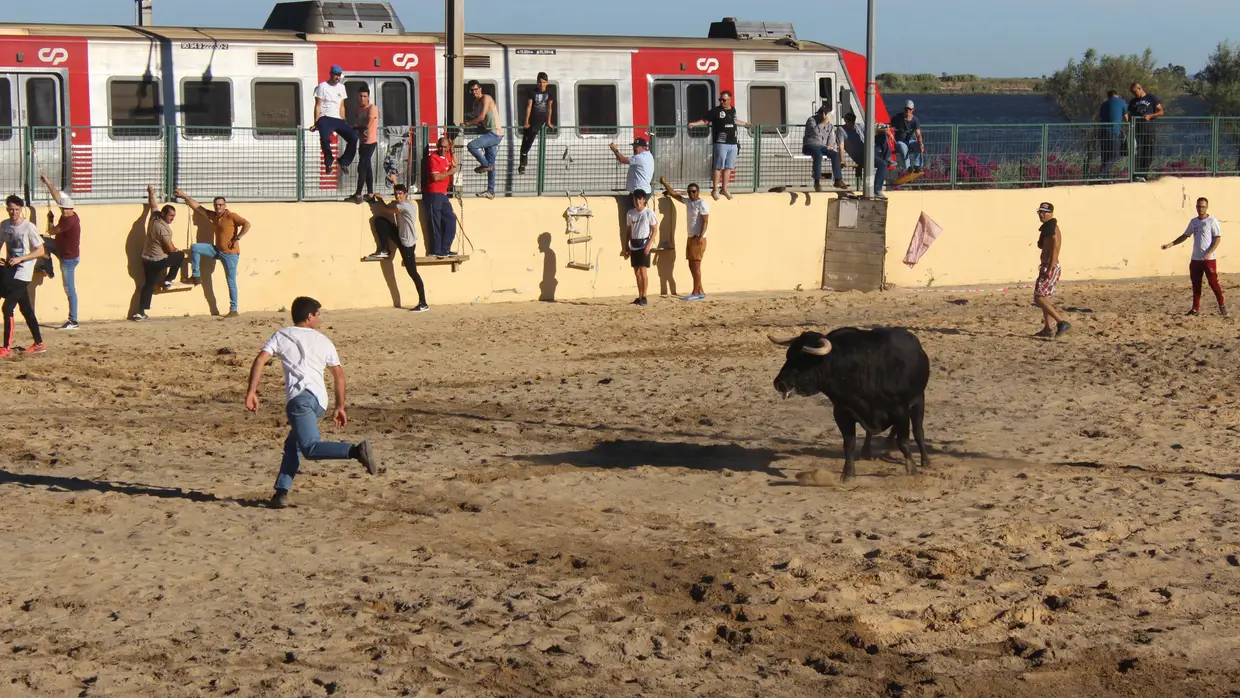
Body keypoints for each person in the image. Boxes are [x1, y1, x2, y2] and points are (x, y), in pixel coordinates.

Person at [245, 296, 379, 509]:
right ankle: (281, 493)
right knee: (294, 444)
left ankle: (355, 451)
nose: (320, 319)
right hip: (319, 403)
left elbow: (260, 359)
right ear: (309, 316)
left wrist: (252, 391)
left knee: (309, 447)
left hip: (300, 401)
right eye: (318, 314)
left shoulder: (282, 335)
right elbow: (339, 376)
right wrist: (340, 406)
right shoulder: (324, 340)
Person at [175, 188, 251, 317]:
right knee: (195, 248)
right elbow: (198, 208)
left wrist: (237, 238)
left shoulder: (231, 216)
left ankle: (234, 309)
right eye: (216, 205)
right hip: (217, 250)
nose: (218, 207)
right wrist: (183, 196)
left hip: (230, 254)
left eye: (221, 205)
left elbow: (247, 224)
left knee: (231, 281)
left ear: (225, 205)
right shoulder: (214, 216)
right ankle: (196, 275)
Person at [365, 184, 429, 312]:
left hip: (407, 245)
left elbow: (387, 210)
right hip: (401, 237)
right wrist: (394, 180)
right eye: (396, 194)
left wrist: (380, 200)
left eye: (400, 194)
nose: (398, 196)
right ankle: (384, 249)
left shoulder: (404, 206)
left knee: (413, 273)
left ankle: (423, 303)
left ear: (405, 194)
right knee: (380, 221)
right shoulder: (407, 203)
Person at [1162, 197, 1226, 316]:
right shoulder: (1193, 222)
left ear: (1206, 207)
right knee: (1196, 284)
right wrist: (1171, 244)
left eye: (1202, 206)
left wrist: (1209, 252)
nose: (1200, 209)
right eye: (1198, 206)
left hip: (1208, 259)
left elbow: (1217, 238)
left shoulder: (1212, 221)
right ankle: (1195, 309)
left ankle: (1221, 305)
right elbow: (1185, 235)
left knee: (1213, 283)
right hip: (1196, 259)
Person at [0, 195, 46, 356]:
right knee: (26, 309)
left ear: (21, 210)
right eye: (11, 209)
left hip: (24, 273)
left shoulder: (28, 227)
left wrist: (21, 258)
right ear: (7, 209)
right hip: (9, 271)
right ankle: (39, 343)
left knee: (7, 308)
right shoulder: (4, 225)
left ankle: (6, 347)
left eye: (17, 209)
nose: (14, 212)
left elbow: (40, 250)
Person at [134, 185, 187, 321]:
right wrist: (177, 250)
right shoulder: (163, 230)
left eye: (174, 216)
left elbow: (153, 204)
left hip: (146, 259)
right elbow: (169, 248)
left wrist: (150, 192)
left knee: (148, 285)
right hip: (158, 261)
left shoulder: (155, 216)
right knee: (180, 256)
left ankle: (140, 312)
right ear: (164, 214)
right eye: (170, 215)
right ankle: (168, 279)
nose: (172, 218)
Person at [38, 173, 81, 330]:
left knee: (69, 289)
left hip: (68, 258)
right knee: (40, 241)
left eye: (66, 210)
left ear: (71, 209)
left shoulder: (69, 221)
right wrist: (48, 182)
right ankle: (47, 267)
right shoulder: (68, 212)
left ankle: (73, 321)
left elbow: (52, 230)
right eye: (62, 209)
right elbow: (57, 196)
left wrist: (50, 220)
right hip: (60, 247)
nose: (64, 212)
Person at [688, 91, 748, 200]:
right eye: (720, 100)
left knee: (729, 167)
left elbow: (734, 121)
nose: (722, 102)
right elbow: (706, 121)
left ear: (729, 100)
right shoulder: (715, 111)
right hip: (721, 143)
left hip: (733, 143)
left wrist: (745, 124)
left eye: (724, 100)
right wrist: (694, 123)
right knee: (718, 166)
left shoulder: (733, 109)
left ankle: (724, 189)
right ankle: (715, 189)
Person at [659, 176, 709, 300]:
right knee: (692, 265)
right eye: (689, 191)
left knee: (696, 265)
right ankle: (700, 290)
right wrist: (665, 183)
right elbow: (673, 194)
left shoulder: (701, 203)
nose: (691, 193)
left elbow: (705, 221)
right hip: (691, 237)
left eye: (693, 191)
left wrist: (700, 236)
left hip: (698, 238)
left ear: (698, 192)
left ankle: (696, 292)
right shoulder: (688, 202)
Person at [310, 65, 358, 175]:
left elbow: (342, 106)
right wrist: (316, 123)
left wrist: (344, 121)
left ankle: (344, 161)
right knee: (325, 139)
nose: (337, 77)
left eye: (338, 75)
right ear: (331, 74)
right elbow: (318, 105)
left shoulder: (341, 87)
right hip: (325, 117)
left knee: (353, 137)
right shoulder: (322, 86)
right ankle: (328, 162)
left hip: (338, 118)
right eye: (335, 75)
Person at [1033, 202, 1070, 338]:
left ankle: (1061, 322)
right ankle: (1048, 329)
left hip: (1050, 267)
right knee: (1044, 297)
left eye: (1044, 212)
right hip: (1047, 266)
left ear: (1051, 213)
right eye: (1040, 212)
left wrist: (1050, 268)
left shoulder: (1053, 228)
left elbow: (1055, 248)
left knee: (1039, 298)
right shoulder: (1048, 228)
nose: (1041, 214)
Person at [463, 80, 503, 199]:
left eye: (476, 89)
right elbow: (481, 121)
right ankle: (490, 191)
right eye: (472, 90)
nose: (474, 92)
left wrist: (468, 124)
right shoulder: (476, 104)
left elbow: (482, 117)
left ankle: (485, 165)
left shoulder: (487, 98)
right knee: (492, 163)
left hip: (495, 133)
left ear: (480, 89)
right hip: (488, 132)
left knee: (471, 146)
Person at [423, 135, 460, 257]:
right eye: (441, 147)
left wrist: (452, 150)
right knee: (435, 223)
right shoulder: (434, 158)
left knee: (450, 220)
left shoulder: (447, 155)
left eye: (445, 147)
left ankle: (445, 249)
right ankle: (436, 250)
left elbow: (455, 164)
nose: (443, 149)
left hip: (443, 194)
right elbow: (435, 177)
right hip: (434, 193)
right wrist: (449, 172)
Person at [621, 188, 657, 306]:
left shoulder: (648, 213)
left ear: (643, 200)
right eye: (635, 199)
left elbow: (655, 230)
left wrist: (648, 245)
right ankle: (640, 295)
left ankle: (644, 295)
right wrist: (626, 246)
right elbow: (628, 230)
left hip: (644, 243)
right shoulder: (630, 213)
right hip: (634, 244)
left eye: (639, 199)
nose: (637, 201)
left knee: (643, 271)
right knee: (636, 272)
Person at [348, 84, 380, 202]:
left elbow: (367, 125)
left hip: (371, 142)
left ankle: (358, 194)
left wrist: (355, 127)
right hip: (362, 142)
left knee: (362, 166)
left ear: (368, 97)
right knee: (367, 167)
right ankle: (370, 194)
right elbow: (359, 125)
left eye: (365, 96)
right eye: (360, 96)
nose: (362, 99)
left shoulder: (372, 108)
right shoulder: (358, 110)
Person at [802, 105, 845, 192]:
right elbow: (814, 132)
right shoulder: (812, 120)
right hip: (810, 145)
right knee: (818, 154)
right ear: (822, 114)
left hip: (822, 146)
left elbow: (831, 135)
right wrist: (823, 123)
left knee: (835, 154)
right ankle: (817, 181)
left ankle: (838, 179)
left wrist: (830, 145)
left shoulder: (829, 124)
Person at [1128, 82, 1164, 181]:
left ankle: (1144, 174)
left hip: (1149, 129)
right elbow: (1130, 114)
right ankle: (1135, 174)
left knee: (1147, 152)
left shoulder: (1152, 98)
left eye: (1135, 92)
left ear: (1140, 89)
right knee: (1136, 152)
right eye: (1132, 93)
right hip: (1136, 130)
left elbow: (1161, 111)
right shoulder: (1133, 101)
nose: (1134, 95)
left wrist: (1150, 116)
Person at [519, 72, 554, 175]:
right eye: (539, 82)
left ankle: (524, 157)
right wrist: (526, 121)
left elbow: (549, 108)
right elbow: (529, 107)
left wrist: (548, 121)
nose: (541, 84)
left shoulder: (549, 93)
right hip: (532, 119)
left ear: (547, 83)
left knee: (530, 137)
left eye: (543, 82)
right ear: (537, 82)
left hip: (541, 119)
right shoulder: (532, 93)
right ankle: (522, 161)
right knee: (526, 141)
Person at [609, 136, 654, 205]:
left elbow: (622, 159)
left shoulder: (640, 157)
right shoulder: (648, 155)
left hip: (640, 192)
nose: (634, 148)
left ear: (643, 147)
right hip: (641, 190)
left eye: (636, 147)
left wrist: (614, 149)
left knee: (637, 213)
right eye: (634, 146)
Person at [890, 100, 924, 175]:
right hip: (900, 141)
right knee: (903, 148)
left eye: (910, 109)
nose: (908, 111)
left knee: (918, 146)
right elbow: (890, 126)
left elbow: (918, 134)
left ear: (913, 110)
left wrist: (921, 144)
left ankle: (917, 166)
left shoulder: (915, 120)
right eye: (906, 109)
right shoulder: (897, 118)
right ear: (904, 109)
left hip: (910, 141)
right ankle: (908, 167)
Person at [1098, 90, 1127, 175]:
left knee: (1105, 155)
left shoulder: (1104, 104)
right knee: (1115, 154)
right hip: (1113, 131)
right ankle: (1102, 173)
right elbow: (1126, 118)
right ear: (1117, 95)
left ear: (1108, 96)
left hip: (1103, 132)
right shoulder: (1121, 102)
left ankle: (1105, 176)